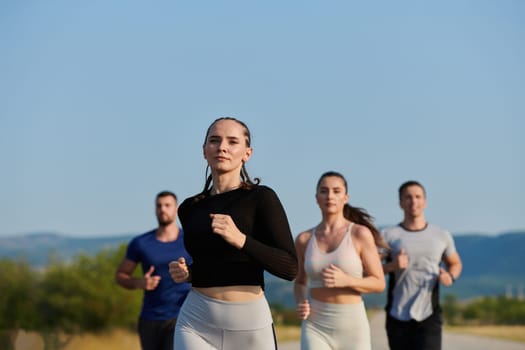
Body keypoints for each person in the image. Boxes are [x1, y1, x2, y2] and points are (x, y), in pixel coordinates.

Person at [169, 117, 298, 350]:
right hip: (196, 322)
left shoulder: (261, 198)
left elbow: (289, 267)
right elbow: (213, 262)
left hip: (250, 326)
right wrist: (188, 273)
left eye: (232, 141)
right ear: (204, 151)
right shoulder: (189, 208)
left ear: (247, 153)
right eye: (214, 140)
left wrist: (241, 240)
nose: (222, 147)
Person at [294, 171, 388, 350]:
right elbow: (299, 282)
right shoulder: (304, 239)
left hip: (352, 327)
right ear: (316, 197)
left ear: (345, 197)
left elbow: (379, 283)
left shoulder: (359, 234)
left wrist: (347, 280)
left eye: (336, 191)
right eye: (324, 191)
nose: (330, 196)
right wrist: (300, 301)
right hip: (315, 325)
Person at [381, 180, 463, 350]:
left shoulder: (441, 235)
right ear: (400, 203)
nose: (413, 201)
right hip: (397, 314)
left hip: (428, 313)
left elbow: (455, 263)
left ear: (425, 202)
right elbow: (371, 270)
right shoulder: (388, 235)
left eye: (418, 197)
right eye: (408, 197)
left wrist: (450, 276)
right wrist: (392, 266)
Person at [115, 191, 192, 350]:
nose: (163, 209)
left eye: (167, 205)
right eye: (159, 206)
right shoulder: (141, 243)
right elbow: (120, 276)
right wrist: (139, 282)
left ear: (176, 209)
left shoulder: (190, 239)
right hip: (150, 318)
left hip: (182, 315)